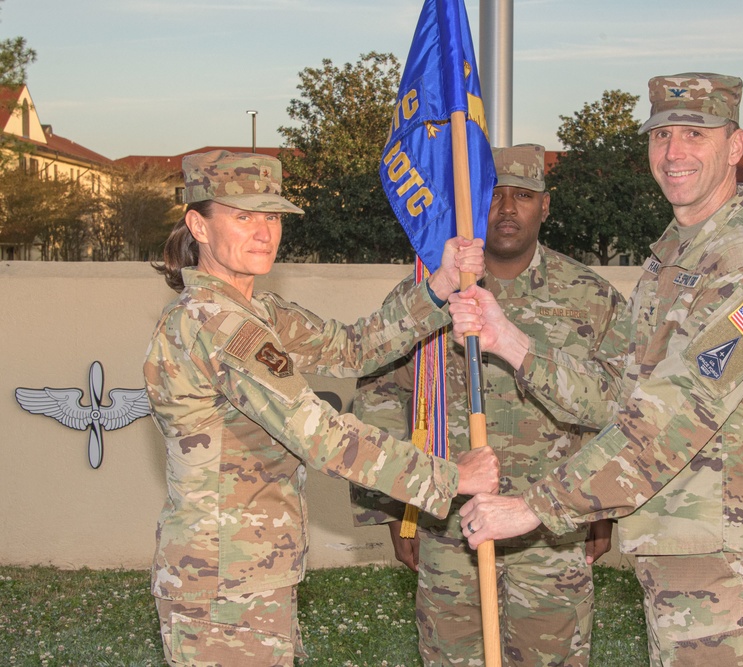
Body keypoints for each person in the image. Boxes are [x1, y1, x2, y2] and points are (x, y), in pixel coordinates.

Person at [452, 74, 743, 666]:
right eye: (661, 136)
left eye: (694, 135)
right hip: (682, 555)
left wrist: (534, 508)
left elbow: (676, 414)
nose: (673, 153)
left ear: (734, 146)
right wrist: (512, 341)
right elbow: (618, 395)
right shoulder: (673, 259)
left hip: (735, 573)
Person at [144, 149, 499, 667]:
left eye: (271, 217)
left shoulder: (254, 312)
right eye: (243, 216)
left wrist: (440, 287)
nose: (264, 232)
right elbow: (322, 438)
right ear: (198, 224)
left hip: (247, 573)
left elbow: (353, 347)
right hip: (222, 587)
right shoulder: (217, 325)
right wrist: (448, 477)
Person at [350, 144, 627, 666]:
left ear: (545, 207)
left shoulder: (592, 298)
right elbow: (380, 402)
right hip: (447, 526)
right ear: (469, 208)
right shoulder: (426, 295)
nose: (506, 209)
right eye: (492, 195)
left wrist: (602, 509)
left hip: (552, 527)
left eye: (523, 196)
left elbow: (617, 408)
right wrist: (394, 513)